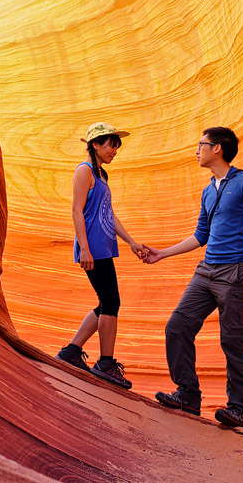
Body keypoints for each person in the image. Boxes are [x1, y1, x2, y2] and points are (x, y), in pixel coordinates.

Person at [143, 126, 243, 428]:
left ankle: (239, 408)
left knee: (234, 340)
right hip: (207, 270)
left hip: (238, 271)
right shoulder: (208, 190)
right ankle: (188, 393)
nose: (196, 150)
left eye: (201, 144)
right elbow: (201, 235)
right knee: (177, 326)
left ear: (218, 149)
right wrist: (163, 253)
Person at [56, 122, 147, 389]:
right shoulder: (84, 172)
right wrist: (84, 247)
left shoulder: (102, 175)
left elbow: (109, 213)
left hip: (103, 246)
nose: (115, 151)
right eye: (111, 145)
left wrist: (130, 241)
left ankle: (72, 351)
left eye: (117, 146)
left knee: (106, 302)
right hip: (93, 246)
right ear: (95, 144)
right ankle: (105, 363)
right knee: (111, 302)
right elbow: (76, 211)